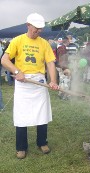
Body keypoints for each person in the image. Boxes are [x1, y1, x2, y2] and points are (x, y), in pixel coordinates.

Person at [1, 13, 59, 159]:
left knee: (42, 114)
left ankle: (42, 142)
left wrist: (53, 81)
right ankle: (21, 147)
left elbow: (50, 63)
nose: (38, 31)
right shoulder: (17, 40)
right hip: (23, 82)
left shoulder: (44, 43)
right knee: (21, 115)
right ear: (28, 25)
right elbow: (4, 60)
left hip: (39, 82)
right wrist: (16, 71)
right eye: (35, 29)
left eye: (40, 29)